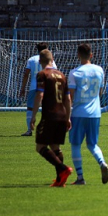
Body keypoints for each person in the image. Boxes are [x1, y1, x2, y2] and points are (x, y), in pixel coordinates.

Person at [29, 50, 74, 187]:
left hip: (49, 115)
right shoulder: (61, 75)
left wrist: (33, 115)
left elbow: (40, 95)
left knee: (40, 147)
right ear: (52, 59)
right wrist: (68, 118)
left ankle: (63, 169)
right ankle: (60, 180)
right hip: (62, 115)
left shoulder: (42, 74)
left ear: (40, 61)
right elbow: (67, 99)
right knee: (55, 148)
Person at [68, 43, 108, 185]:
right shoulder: (100, 70)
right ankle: (102, 162)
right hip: (95, 113)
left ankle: (80, 177)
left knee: (75, 145)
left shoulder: (74, 72)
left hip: (79, 113)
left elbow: (70, 97)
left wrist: (67, 115)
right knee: (92, 144)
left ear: (78, 55)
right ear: (91, 55)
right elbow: (100, 92)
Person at [20, 42, 56, 136]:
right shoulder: (50, 60)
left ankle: (29, 130)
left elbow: (26, 74)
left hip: (34, 87)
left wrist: (23, 88)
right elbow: (54, 72)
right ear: (47, 49)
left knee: (30, 108)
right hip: (47, 87)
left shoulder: (31, 59)